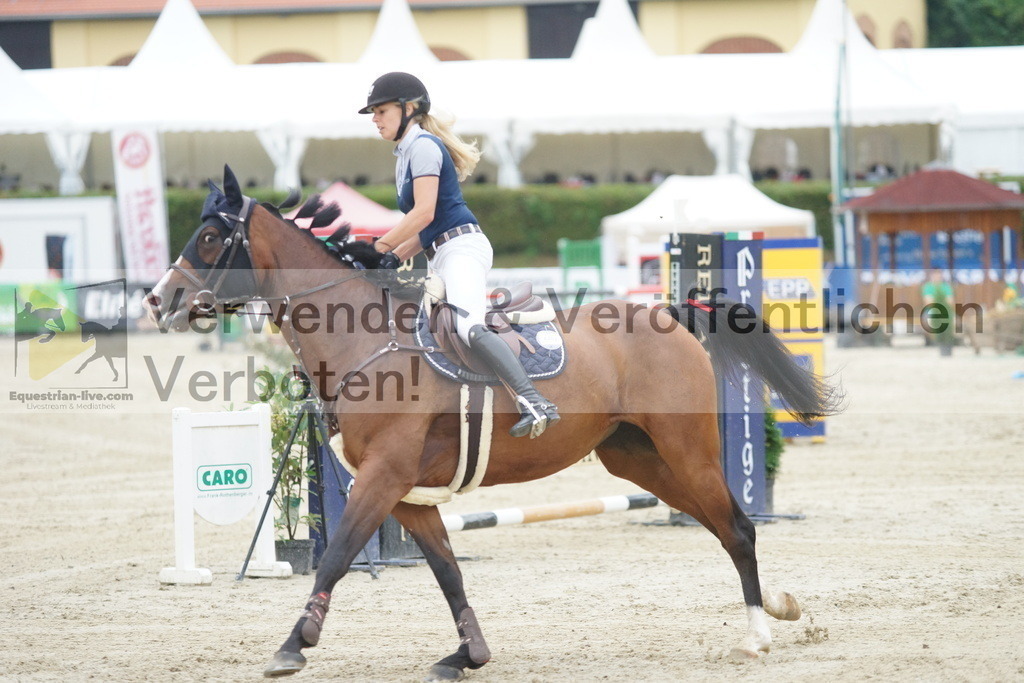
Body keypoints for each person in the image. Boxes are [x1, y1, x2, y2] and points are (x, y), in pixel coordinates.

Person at [360, 72, 559, 438]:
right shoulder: (405, 152)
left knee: (468, 326)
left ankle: (534, 400)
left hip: (463, 247)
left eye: (381, 110)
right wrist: (393, 255)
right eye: (373, 112)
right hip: (441, 250)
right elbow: (425, 230)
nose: (375, 118)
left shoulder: (422, 146)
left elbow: (424, 213)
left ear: (409, 109)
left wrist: (379, 248)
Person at [921, 269, 956, 355]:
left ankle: (947, 343)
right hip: (932, 312)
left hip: (946, 312)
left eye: (939, 275)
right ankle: (937, 340)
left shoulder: (946, 287)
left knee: (951, 320)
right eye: (935, 275)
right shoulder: (928, 287)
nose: (937, 277)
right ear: (932, 276)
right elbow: (928, 302)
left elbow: (950, 301)